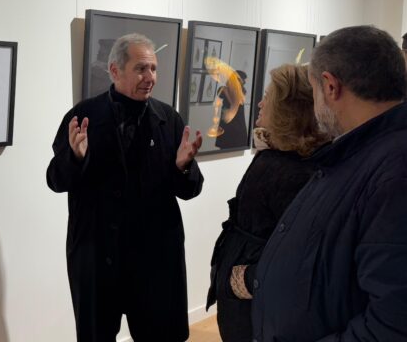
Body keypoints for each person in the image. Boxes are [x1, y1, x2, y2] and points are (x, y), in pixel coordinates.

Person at [251, 25, 407, 341]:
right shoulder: (359, 152)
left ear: (330, 86)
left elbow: (393, 323)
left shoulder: (392, 170)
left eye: (314, 92)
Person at [47, 33, 204, 341]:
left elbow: (189, 190)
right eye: (142, 69)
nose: (150, 78)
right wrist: (76, 158)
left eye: (154, 69)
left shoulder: (168, 119)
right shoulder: (83, 117)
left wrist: (182, 166)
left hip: (155, 260)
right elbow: (55, 180)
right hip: (98, 256)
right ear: (115, 71)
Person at [206, 64, 329, 341]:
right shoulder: (286, 157)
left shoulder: (291, 169)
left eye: (268, 96)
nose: (260, 103)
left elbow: (298, 250)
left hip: (257, 301)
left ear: (289, 110)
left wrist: (244, 280)